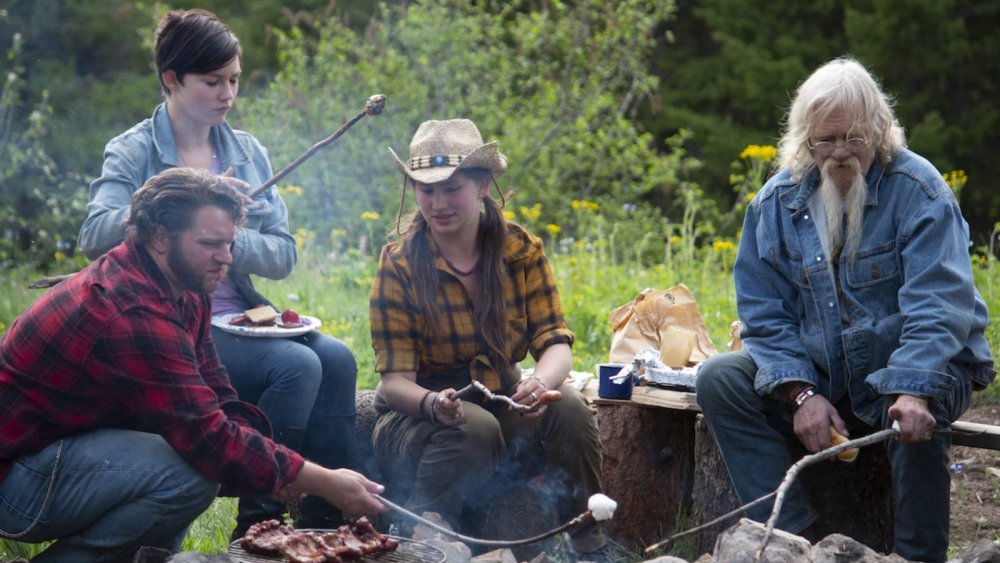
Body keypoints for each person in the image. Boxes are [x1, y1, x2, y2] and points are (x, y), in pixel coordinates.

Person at [695, 57, 995, 563]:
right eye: (825, 141)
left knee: (920, 404)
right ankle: (790, 542)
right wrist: (800, 391)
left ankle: (916, 556)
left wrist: (911, 385)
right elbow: (764, 316)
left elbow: (939, 307)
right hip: (823, 370)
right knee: (720, 378)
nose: (839, 153)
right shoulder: (774, 205)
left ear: (878, 132)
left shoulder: (920, 192)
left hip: (916, 363)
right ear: (804, 140)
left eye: (853, 138)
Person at [0, 168, 384, 562]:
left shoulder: (183, 286)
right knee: (191, 472)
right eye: (210, 244)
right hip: (17, 478)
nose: (227, 258)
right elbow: (206, 436)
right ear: (161, 237)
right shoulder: (132, 309)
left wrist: (276, 470)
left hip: (67, 452)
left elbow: (216, 393)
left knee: (191, 460)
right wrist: (317, 479)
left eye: (230, 243)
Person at [76, 9, 357, 535]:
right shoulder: (134, 149)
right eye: (212, 81)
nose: (228, 93)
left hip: (240, 318)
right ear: (172, 79)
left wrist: (229, 232)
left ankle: (324, 522)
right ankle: (261, 523)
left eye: (233, 80)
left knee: (337, 358)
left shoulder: (247, 152)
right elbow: (92, 237)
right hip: (167, 319)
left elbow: (283, 254)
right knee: (296, 367)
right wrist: (176, 204)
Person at [368, 119, 606, 557]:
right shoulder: (399, 264)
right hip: (418, 417)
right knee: (472, 425)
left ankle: (588, 538)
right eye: (426, 190)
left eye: (451, 188)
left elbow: (554, 342)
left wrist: (541, 383)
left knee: (568, 407)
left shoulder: (521, 251)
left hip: (501, 396)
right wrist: (432, 403)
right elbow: (395, 383)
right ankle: (427, 535)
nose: (437, 203)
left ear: (482, 184)